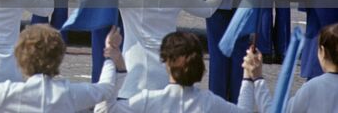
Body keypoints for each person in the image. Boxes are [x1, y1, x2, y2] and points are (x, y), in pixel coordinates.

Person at [0, 23, 121, 110]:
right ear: (59, 57)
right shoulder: (69, 93)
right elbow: (106, 88)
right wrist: (109, 55)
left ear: (20, 57)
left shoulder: (6, 93)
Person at [107, 32, 269, 111]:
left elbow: (104, 109)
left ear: (167, 63)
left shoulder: (148, 101)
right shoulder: (210, 103)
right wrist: (248, 77)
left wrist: (117, 64)